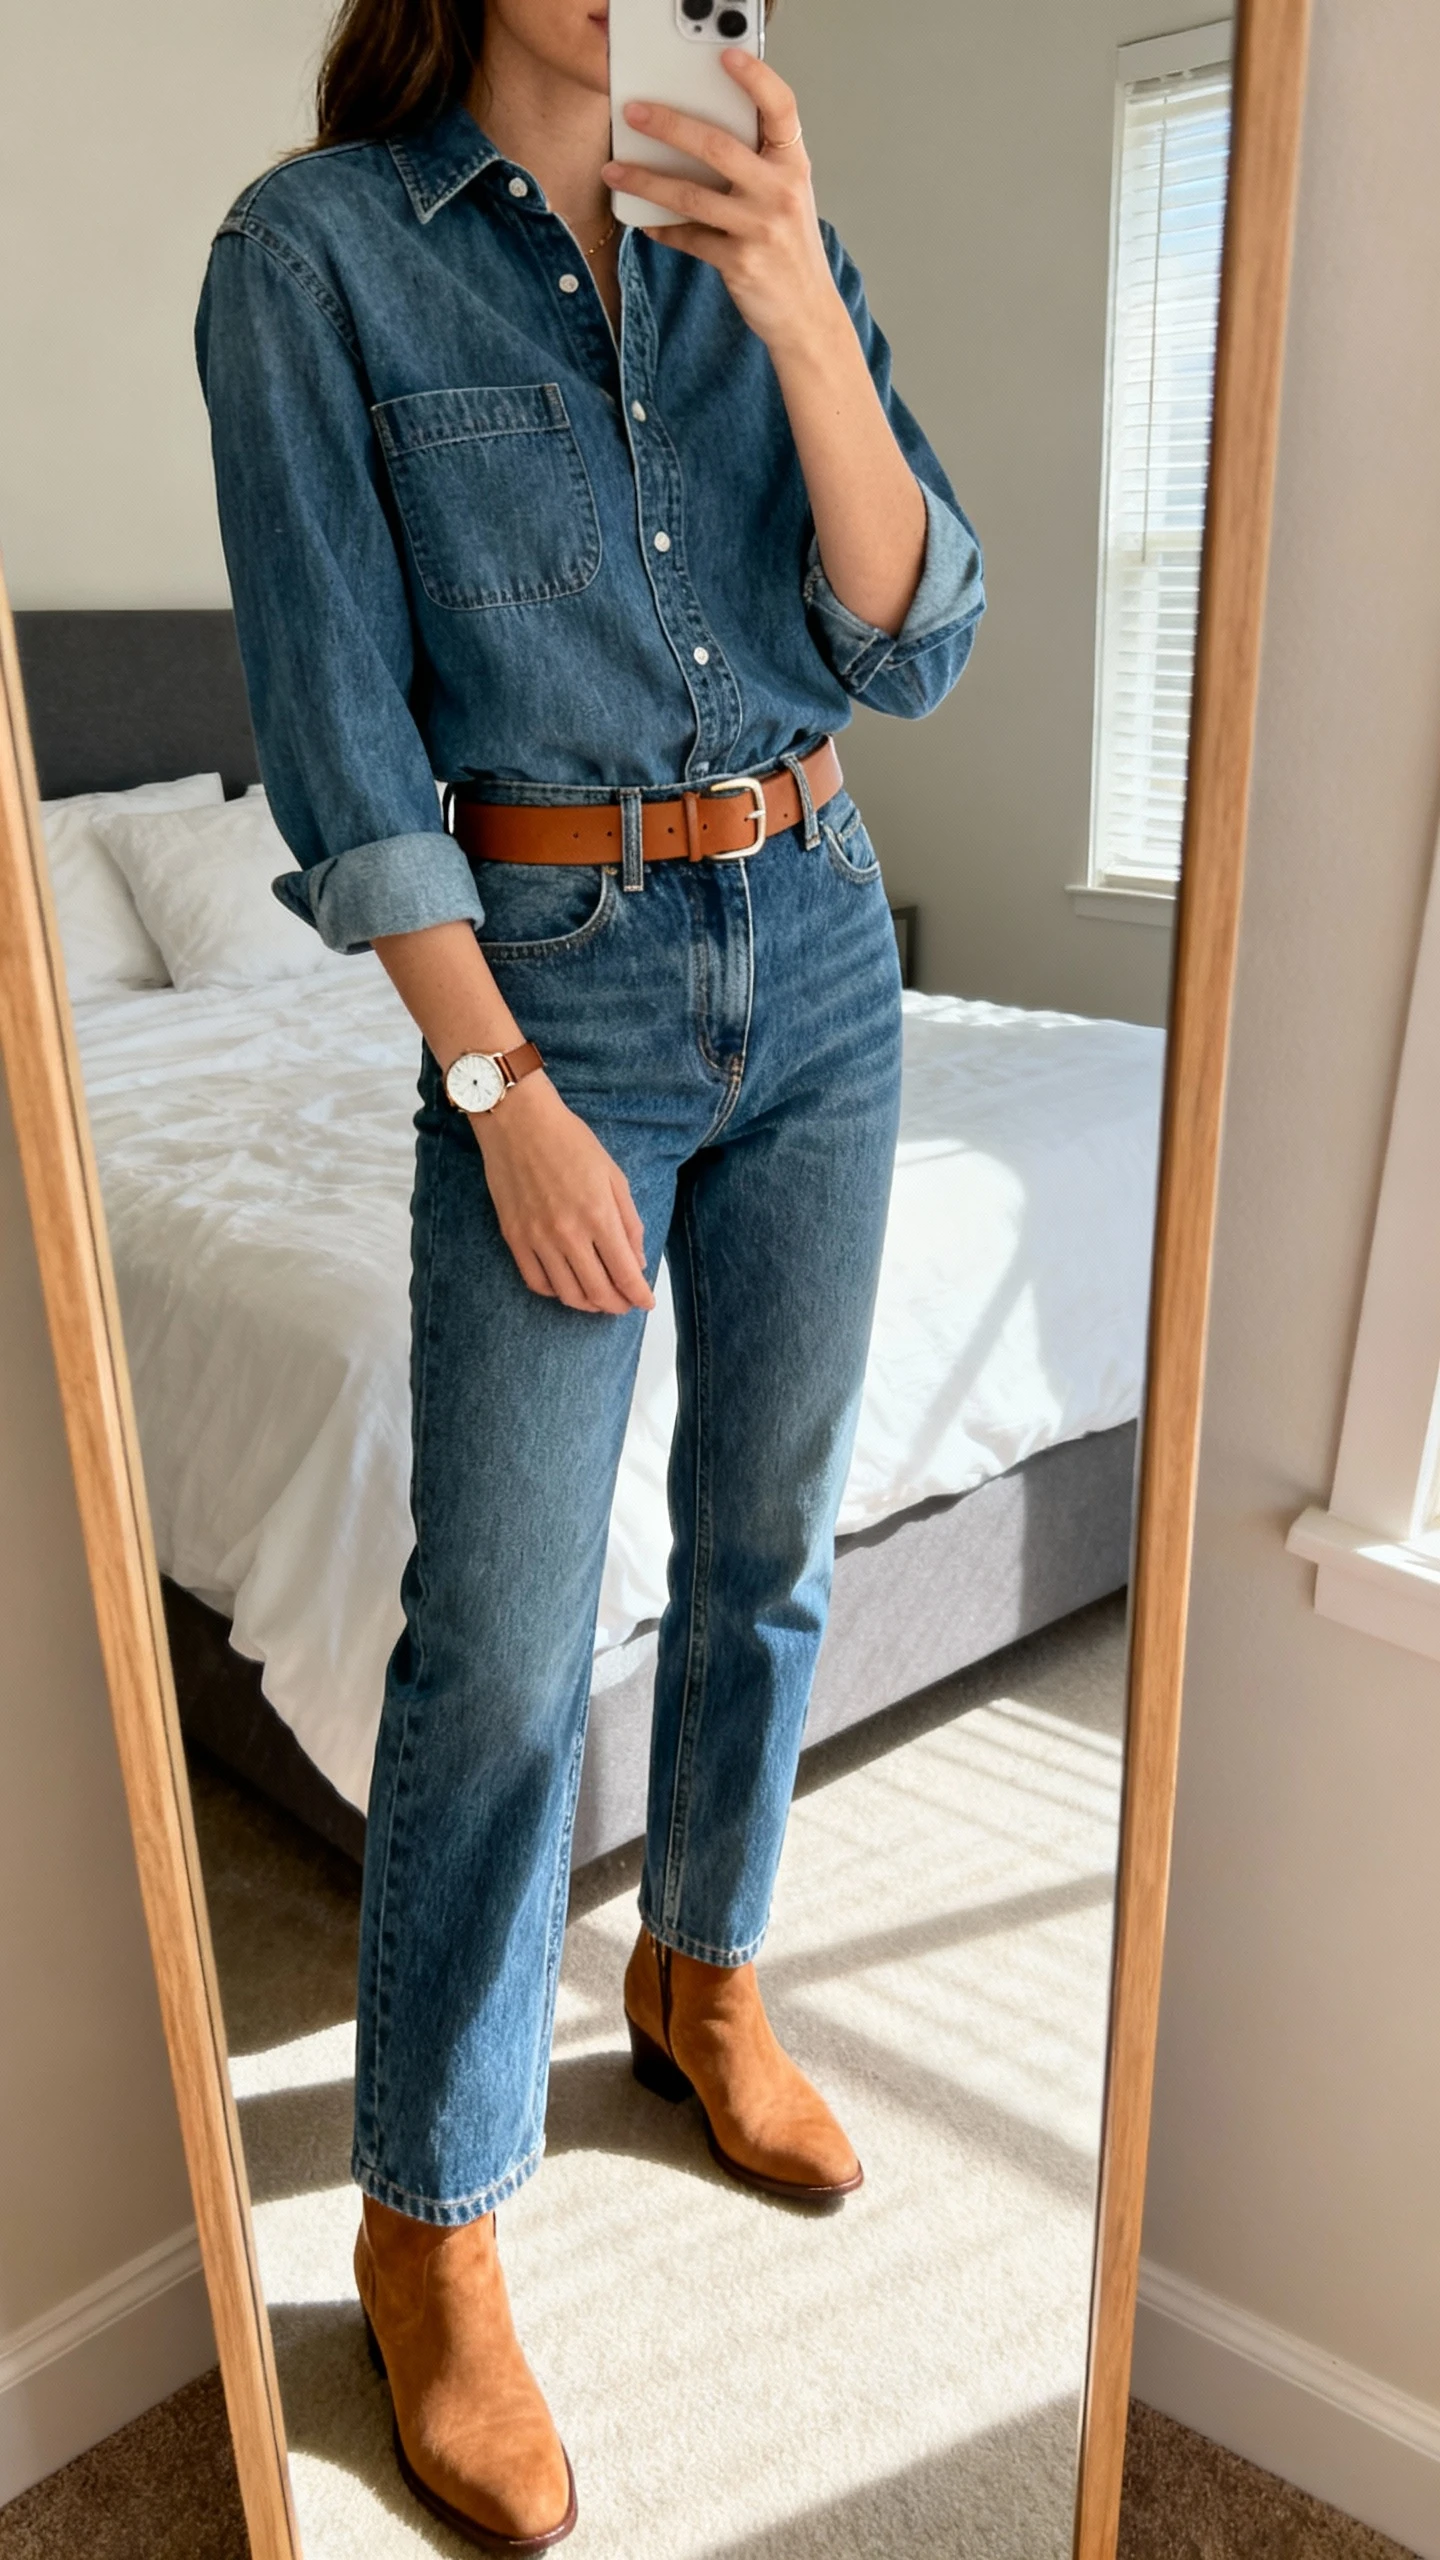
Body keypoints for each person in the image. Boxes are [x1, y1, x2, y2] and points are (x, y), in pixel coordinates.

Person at [197, 0, 983, 2543]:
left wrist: (783, 302)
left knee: (774, 1547)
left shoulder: (768, 219)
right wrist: (497, 1085)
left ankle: (704, 1973)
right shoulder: (316, 261)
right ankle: (431, 2211)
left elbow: (917, 627)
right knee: (509, 1641)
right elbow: (337, 740)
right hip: (558, 995)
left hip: (832, 943)